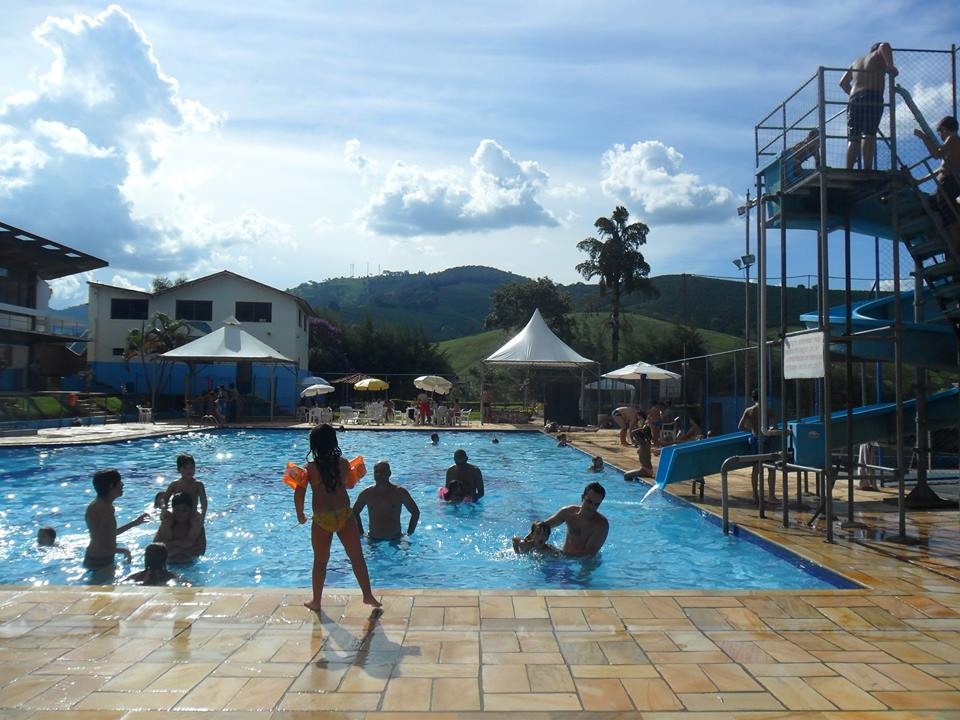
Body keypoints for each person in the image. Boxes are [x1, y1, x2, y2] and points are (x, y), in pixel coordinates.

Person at [294, 424, 380, 611]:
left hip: (322, 519)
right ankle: (367, 595)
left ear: (314, 445)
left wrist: (300, 515)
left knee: (320, 561)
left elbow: (299, 493)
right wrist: (356, 472)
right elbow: (348, 486)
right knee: (357, 557)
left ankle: (316, 601)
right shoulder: (343, 463)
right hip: (344, 516)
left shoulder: (309, 469)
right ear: (334, 442)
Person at [840, 42, 898, 170]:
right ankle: (867, 168)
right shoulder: (878, 54)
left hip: (854, 99)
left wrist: (854, 94)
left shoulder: (856, 61)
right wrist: (890, 66)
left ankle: (848, 169)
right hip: (872, 96)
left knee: (854, 137)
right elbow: (884, 45)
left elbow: (843, 83)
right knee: (869, 133)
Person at [83, 469, 150, 569]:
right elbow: (101, 543)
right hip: (100, 561)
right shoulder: (105, 508)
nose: (122, 485)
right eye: (119, 482)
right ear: (111, 486)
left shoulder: (97, 504)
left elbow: (107, 535)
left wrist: (134, 523)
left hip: (95, 558)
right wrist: (124, 551)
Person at [914, 116, 960, 256]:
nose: (939, 135)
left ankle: (956, 251)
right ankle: (946, 245)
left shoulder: (952, 138)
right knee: (934, 211)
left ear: (945, 129)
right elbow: (942, 163)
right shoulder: (954, 142)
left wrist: (924, 138)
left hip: (948, 183)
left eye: (940, 131)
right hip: (946, 184)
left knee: (950, 219)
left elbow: (936, 154)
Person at [352, 460, 420, 540]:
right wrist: (361, 533)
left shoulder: (400, 493)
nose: (379, 474)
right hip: (373, 539)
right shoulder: (366, 494)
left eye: (382, 471)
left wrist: (409, 534)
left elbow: (415, 512)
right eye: (376, 472)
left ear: (389, 473)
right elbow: (355, 512)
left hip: (395, 539)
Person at [541, 482, 609, 557]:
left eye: (596, 504)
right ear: (582, 497)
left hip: (586, 563)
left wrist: (556, 553)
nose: (592, 507)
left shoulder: (601, 526)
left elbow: (588, 555)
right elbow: (542, 526)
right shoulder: (568, 513)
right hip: (564, 556)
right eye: (589, 502)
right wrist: (528, 541)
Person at [160, 454, 208, 556]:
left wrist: (203, 515)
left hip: (192, 513)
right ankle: (168, 542)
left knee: (196, 523)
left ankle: (189, 541)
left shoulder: (198, 484)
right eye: (185, 468)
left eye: (191, 467)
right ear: (179, 469)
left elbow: (204, 501)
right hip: (177, 515)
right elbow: (165, 499)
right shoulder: (175, 484)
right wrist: (164, 510)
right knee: (166, 521)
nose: (189, 470)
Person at [738, 390, 778, 507]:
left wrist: (751, 430)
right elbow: (775, 426)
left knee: (756, 469)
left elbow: (740, 427)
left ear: (752, 398)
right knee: (771, 468)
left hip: (755, 440)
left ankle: (755, 495)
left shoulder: (749, 411)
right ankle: (771, 496)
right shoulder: (768, 410)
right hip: (765, 440)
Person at [154, 492, 204, 563]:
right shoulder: (167, 524)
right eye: (177, 510)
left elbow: (202, 550)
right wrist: (180, 544)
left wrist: (179, 550)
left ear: (190, 510)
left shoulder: (196, 525)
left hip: (189, 564)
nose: (180, 514)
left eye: (184, 510)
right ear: (172, 509)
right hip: (169, 563)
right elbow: (154, 548)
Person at [122, 542, 187, 586]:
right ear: (165, 559)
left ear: (146, 559)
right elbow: (187, 584)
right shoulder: (169, 575)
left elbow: (123, 583)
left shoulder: (137, 575)